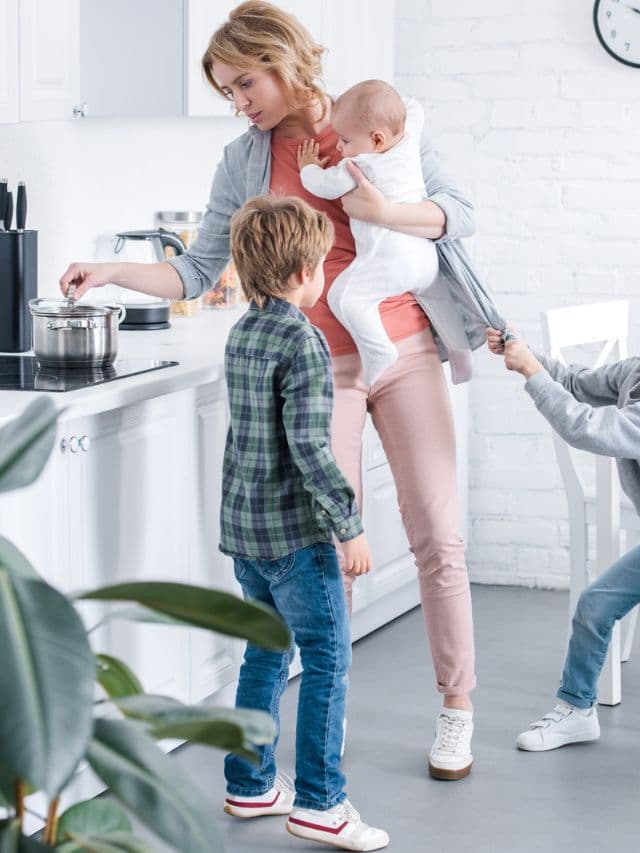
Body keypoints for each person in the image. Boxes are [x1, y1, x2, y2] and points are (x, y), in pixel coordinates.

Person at [60, 0, 487, 781]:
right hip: (322, 363)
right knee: (332, 548)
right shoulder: (243, 159)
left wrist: (384, 209)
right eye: (227, 90)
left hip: (407, 346)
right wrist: (113, 272)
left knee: (438, 536)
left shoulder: (375, 113)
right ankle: (337, 697)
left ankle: (457, 707)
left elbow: (457, 213)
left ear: (284, 58)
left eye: (244, 81)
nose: (239, 101)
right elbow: (195, 270)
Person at [220, 194, 389, 851]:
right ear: (300, 275)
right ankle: (321, 801)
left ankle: (251, 781)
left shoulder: (245, 330)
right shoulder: (303, 339)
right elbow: (311, 449)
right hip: (296, 536)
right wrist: (348, 525)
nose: (322, 275)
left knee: (265, 651)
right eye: (319, 265)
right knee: (326, 656)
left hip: (246, 533)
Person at [486, 326, 640, 752]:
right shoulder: (635, 372)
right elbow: (574, 383)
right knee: (596, 605)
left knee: (596, 603)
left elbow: (584, 427)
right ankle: (577, 711)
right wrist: (525, 353)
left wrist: (532, 372)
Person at [297, 79, 439, 386]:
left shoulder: (361, 165)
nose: (338, 147)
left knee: (344, 298)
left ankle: (378, 352)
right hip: (426, 260)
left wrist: (308, 167)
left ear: (376, 140)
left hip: (390, 260)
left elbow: (322, 185)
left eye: (345, 140)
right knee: (441, 304)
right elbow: (413, 107)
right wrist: (381, 106)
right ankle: (459, 352)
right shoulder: (409, 136)